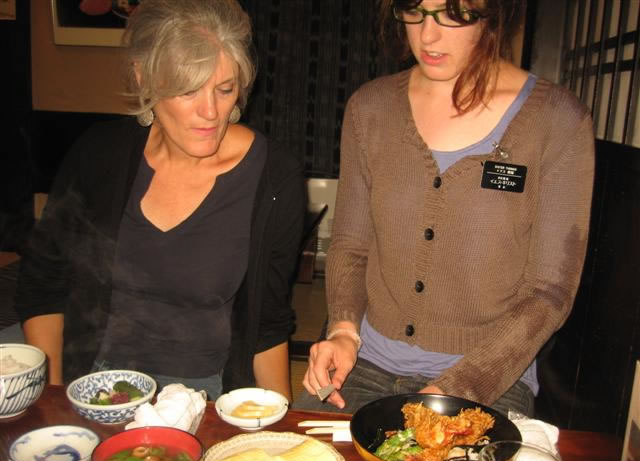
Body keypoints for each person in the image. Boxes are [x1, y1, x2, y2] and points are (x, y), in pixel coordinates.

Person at [296, 0, 594, 416]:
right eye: (415, 10)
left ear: (493, 13)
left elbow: (549, 292)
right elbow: (351, 243)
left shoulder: (557, 120)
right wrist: (344, 329)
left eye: (454, 13)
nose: (428, 35)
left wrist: (457, 387)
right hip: (364, 362)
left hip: (488, 377)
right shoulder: (371, 108)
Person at [15, 0, 305, 401]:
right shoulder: (99, 155)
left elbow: (268, 322)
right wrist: (53, 398)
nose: (210, 112)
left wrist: (280, 418)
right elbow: (43, 282)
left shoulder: (275, 176)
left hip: (204, 392)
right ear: (144, 78)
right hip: (95, 379)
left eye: (225, 89)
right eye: (187, 90)